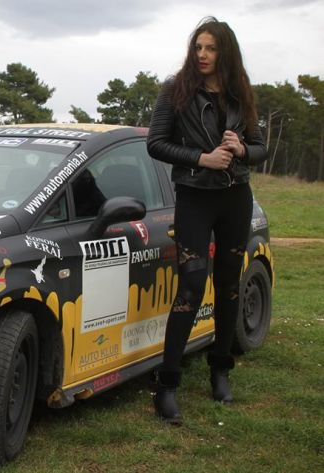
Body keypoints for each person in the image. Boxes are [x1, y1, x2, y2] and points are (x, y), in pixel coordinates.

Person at [147, 16, 268, 425]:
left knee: (230, 285)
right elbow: (155, 144)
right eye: (198, 47)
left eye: (211, 48)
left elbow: (260, 147)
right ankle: (166, 386)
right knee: (192, 283)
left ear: (225, 52)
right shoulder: (175, 90)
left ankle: (220, 370)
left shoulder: (239, 92)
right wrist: (202, 158)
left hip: (236, 197)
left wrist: (242, 149)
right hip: (194, 197)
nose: (202, 54)